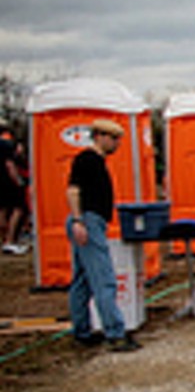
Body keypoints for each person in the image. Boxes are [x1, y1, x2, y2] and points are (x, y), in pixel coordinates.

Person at [65, 119, 138, 351]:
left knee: (83, 280)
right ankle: (115, 332)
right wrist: (78, 220)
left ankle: (82, 330)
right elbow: (73, 190)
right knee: (103, 278)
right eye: (113, 138)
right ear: (99, 136)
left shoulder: (96, 161)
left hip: (88, 220)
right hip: (89, 220)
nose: (116, 143)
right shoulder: (87, 160)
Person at [1, 127, 28, 254]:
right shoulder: (7, 146)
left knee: (3, 210)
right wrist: (18, 181)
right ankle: (9, 240)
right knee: (18, 208)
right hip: (8, 182)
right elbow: (10, 165)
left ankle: (5, 240)